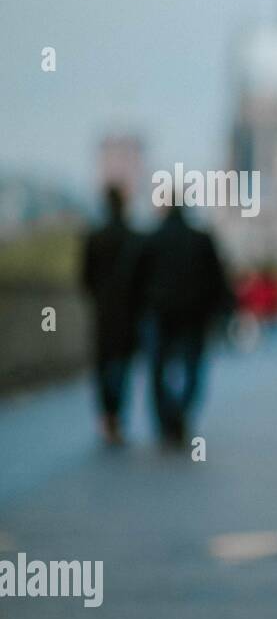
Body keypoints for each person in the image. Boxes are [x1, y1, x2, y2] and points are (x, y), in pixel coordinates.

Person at [136, 187, 233, 446]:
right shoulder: (201, 239)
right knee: (193, 367)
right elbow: (218, 279)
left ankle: (166, 420)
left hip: (159, 314)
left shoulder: (152, 239)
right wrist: (223, 311)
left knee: (157, 369)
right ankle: (180, 412)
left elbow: (136, 280)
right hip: (194, 316)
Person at [80, 185, 142, 445]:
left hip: (104, 312)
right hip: (128, 312)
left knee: (103, 365)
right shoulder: (134, 238)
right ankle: (117, 417)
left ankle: (108, 416)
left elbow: (85, 278)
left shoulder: (95, 237)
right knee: (123, 366)